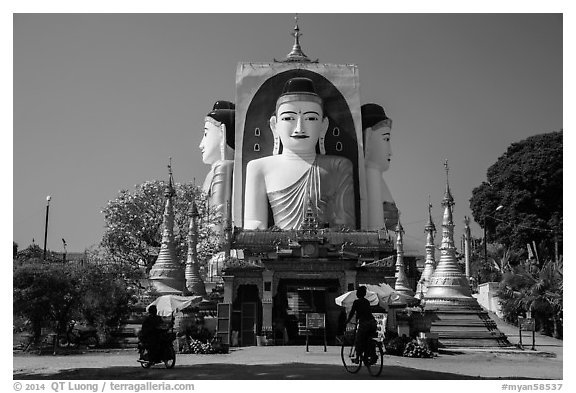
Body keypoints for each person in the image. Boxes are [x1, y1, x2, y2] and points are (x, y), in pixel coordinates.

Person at [243, 77, 355, 230]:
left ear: (324, 125)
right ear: (274, 125)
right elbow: (254, 224)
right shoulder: (259, 168)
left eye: (310, 118)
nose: (299, 128)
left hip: (325, 248)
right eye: (289, 118)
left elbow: (345, 227)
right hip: (276, 248)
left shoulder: (338, 166)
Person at [199, 101, 235, 232]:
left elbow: (217, 220)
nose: (201, 144)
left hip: (217, 243)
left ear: (222, 133)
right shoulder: (212, 173)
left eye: (206, 134)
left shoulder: (223, 168)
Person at [361, 103, 398, 230]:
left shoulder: (376, 178)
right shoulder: (370, 175)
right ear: (368, 136)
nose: (390, 151)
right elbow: (376, 232)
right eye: (386, 139)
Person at [345, 286, 378, 364]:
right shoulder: (366, 301)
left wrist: (347, 321)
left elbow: (352, 313)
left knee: (358, 341)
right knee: (368, 339)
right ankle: (369, 355)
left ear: (359, 294)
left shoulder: (356, 302)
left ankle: (357, 358)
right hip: (372, 323)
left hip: (365, 324)